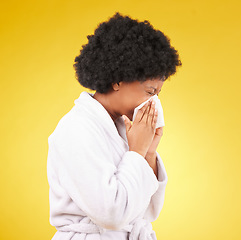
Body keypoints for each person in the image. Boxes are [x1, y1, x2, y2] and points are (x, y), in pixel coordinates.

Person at [47, 12, 182, 240]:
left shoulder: (123, 129)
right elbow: (111, 215)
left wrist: (148, 153)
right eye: (149, 92)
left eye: (158, 94)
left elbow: (147, 212)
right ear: (117, 79)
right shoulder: (76, 129)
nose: (154, 103)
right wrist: (137, 153)